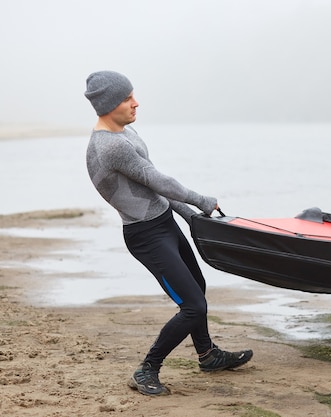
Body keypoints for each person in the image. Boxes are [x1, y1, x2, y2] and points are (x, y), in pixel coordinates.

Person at [84, 70, 253, 396]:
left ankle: (207, 356)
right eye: (127, 98)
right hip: (145, 236)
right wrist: (201, 200)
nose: (136, 103)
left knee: (197, 289)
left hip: (164, 223)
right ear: (107, 105)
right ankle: (147, 369)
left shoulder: (125, 133)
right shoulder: (109, 148)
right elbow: (160, 181)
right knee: (193, 306)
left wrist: (190, 216)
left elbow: (152, 187)